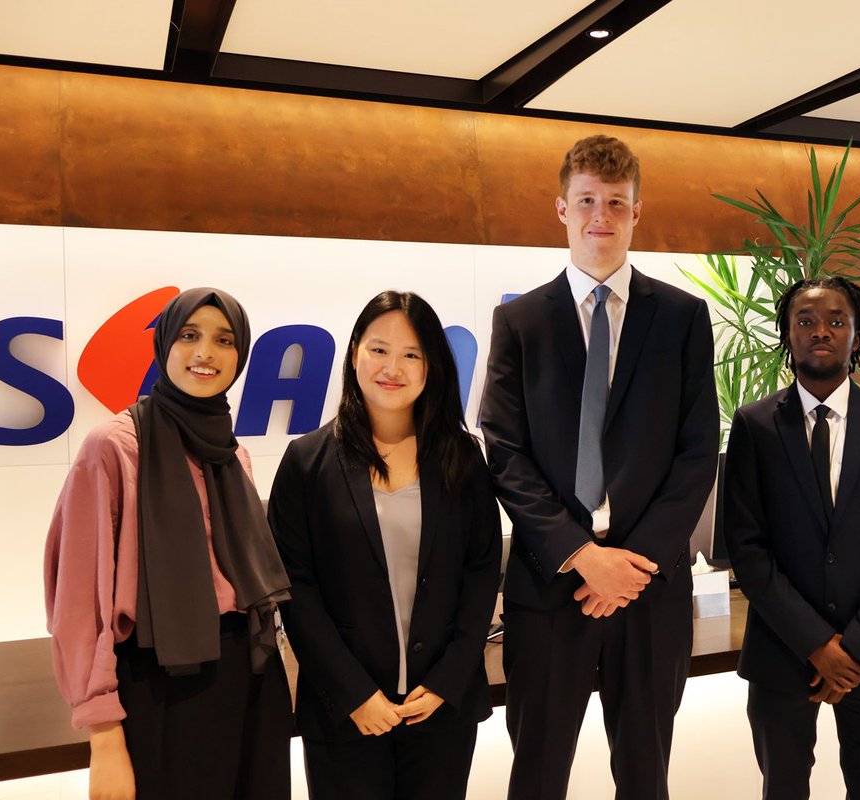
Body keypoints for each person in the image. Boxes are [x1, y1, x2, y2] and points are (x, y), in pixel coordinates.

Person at [480, 134, 718, 800]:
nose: (600, 217)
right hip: (549, 588)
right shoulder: (519, 321)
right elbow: (502, 447)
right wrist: (582, 554)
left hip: (651, 591)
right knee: (537, 776)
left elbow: (698, 450)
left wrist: (633, 562)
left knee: (645, 777)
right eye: (586, 200)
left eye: (616, 202)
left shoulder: (682, 317)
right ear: (561, 208)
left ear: (637, 212)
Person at [44, 288, 293, 800]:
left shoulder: (233, 454)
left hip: (250, 673)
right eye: (189, 335)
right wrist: (104, 736)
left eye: (224, 340)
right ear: (163, 345)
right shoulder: (114, 448)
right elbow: (77, 605)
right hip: (160, 683)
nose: (206, 353)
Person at [269, 290, 501, 799]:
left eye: (411, 355)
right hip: (345, 710)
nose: (392, 367)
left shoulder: (461, 457)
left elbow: (482, 571)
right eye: (378, 349)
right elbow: (294, 588)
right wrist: (354, 692)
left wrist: (449, 679)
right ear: (354, 355)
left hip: (439, 707)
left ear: (431, 367)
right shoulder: (307, 462)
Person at [722, 276, 860, 799]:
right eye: (806, 321)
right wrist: (816, 644)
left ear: (857, 337)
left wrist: (855, 648)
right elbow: (746, 549)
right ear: (786, 335)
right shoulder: (754, 425)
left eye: (837, 321)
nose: (822, 331)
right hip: (782, 653)